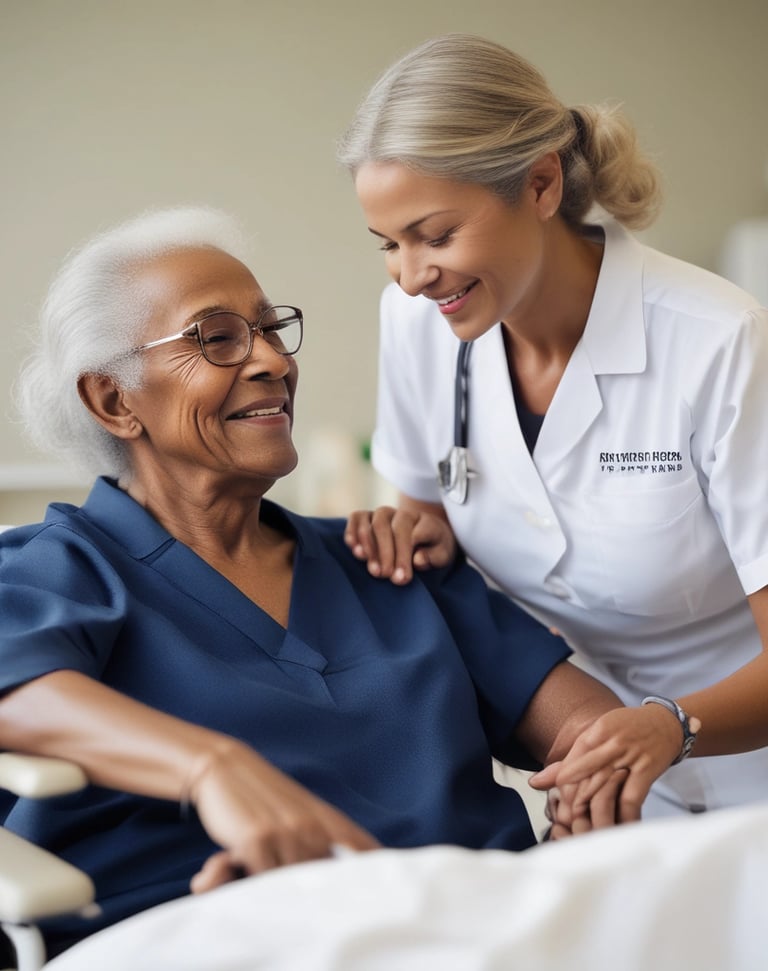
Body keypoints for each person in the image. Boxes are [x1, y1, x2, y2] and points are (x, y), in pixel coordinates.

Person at [0, 206, 683, 959]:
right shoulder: (58, 568)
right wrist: (210, 766)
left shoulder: (384, 560)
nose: (271, 361)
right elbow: (18, 692)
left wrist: (600, 781)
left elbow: (587, 729)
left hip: (483, 925)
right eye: (216, 337)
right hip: (216, 934)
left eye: (269, 329)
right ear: (113, 400)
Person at [338, 33, 768, 819]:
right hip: (590, 773)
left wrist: (671, 724)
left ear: (540, 184)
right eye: (389, 245)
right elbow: (426, 514)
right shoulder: (417, 323)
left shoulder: (720, 341)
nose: (410, 275)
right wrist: (410, 534)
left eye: (436, 235)